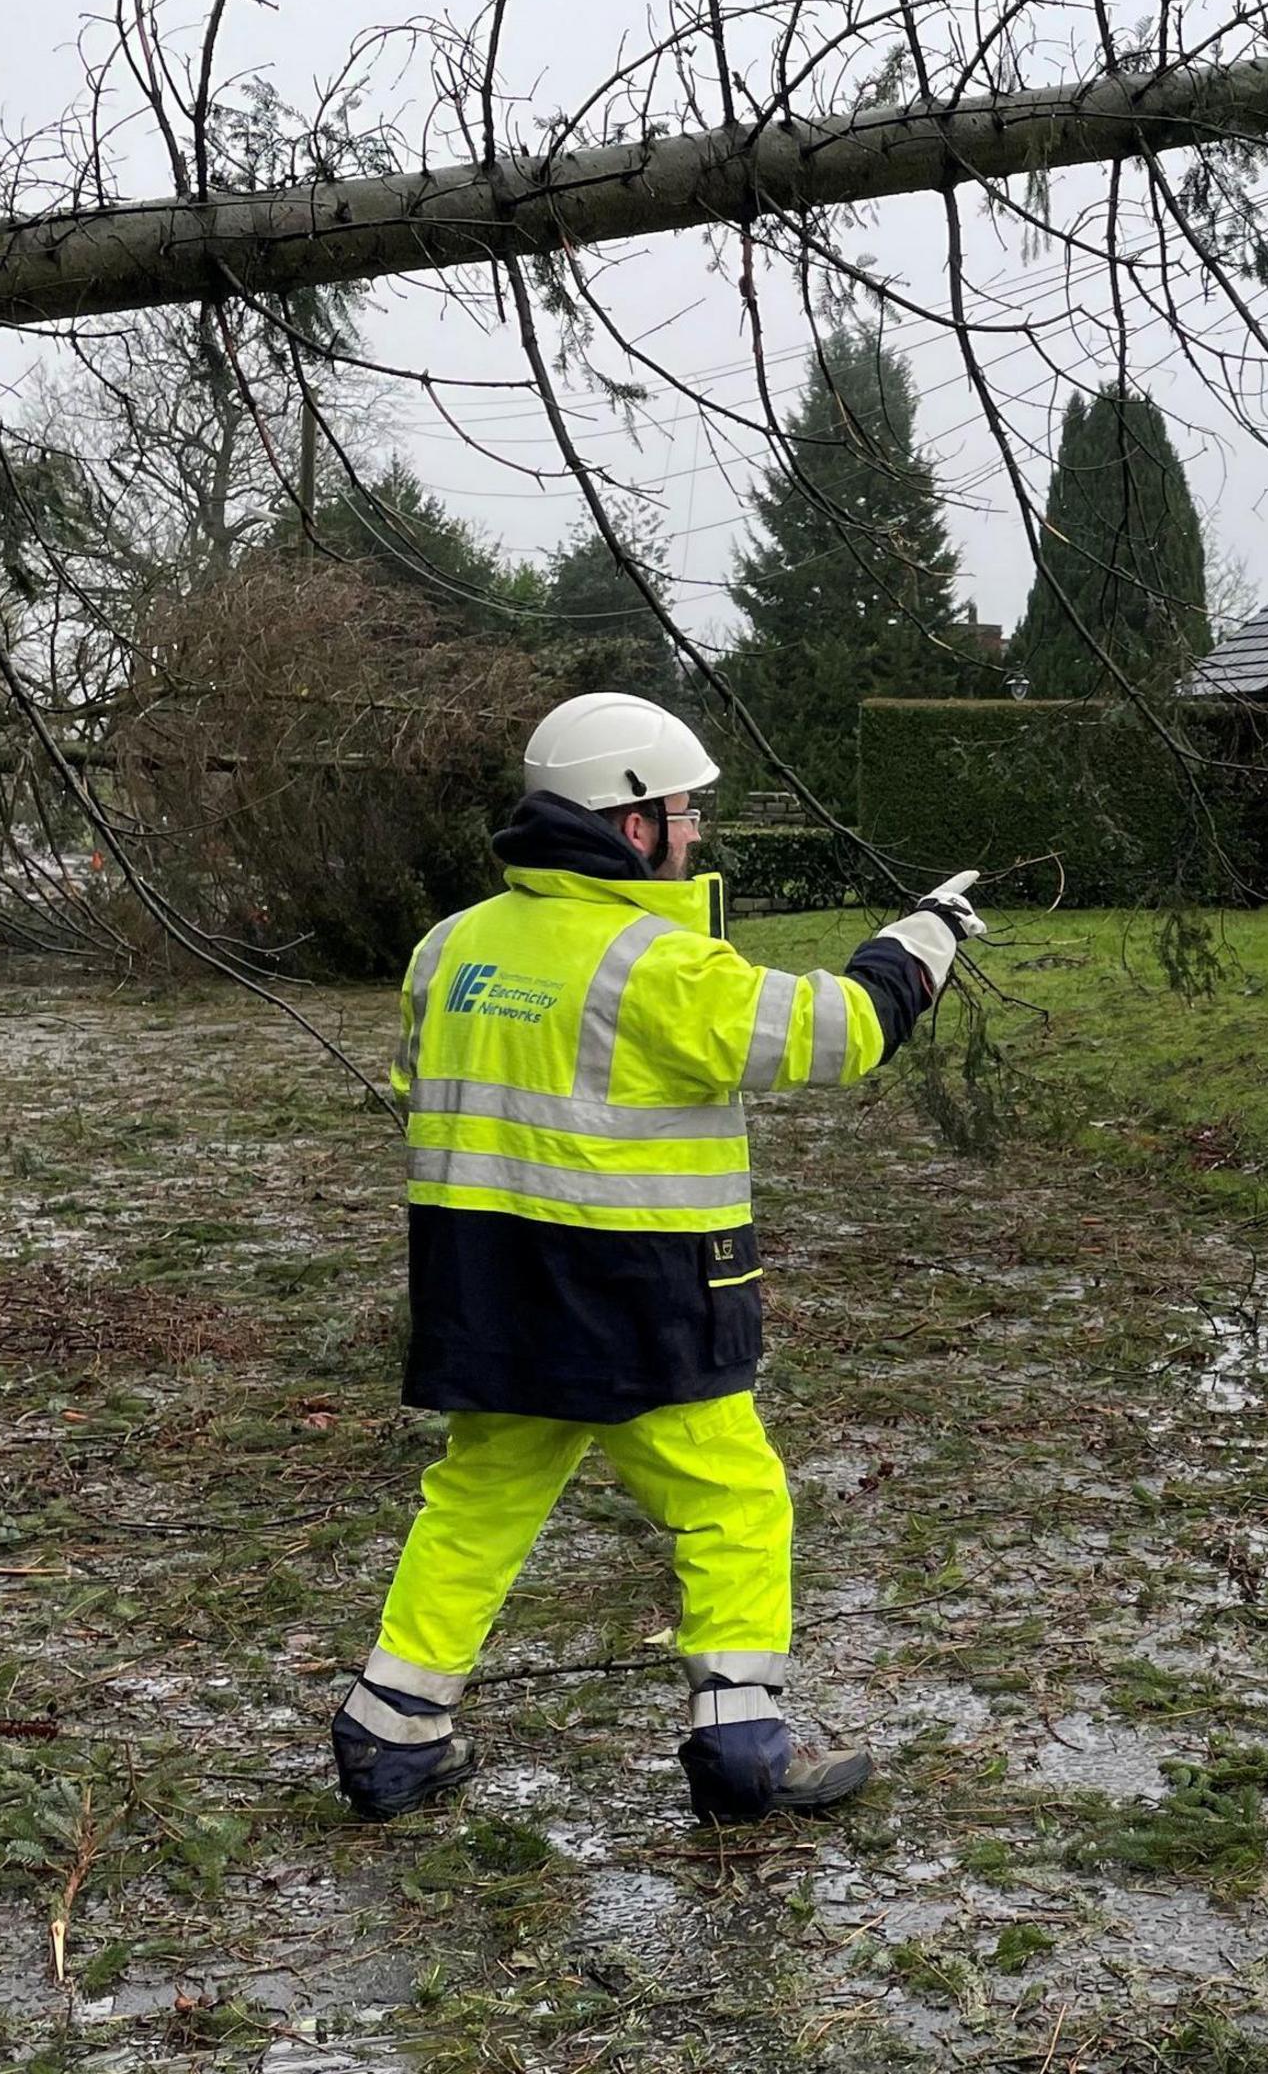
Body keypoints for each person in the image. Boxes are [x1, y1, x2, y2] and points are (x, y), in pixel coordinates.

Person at [333, 691, 984, 1826]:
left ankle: (391, 1737)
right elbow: (838, 1034)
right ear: (631, 823)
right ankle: (743, 1749)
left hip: (486, 1296)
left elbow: (415, 1092)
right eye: (684, 812)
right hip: (638, 1303)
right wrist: (920, 942)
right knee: (733, 1502)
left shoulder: (450, 948)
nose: (695, 832)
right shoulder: (660, 966)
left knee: (476, 1503)